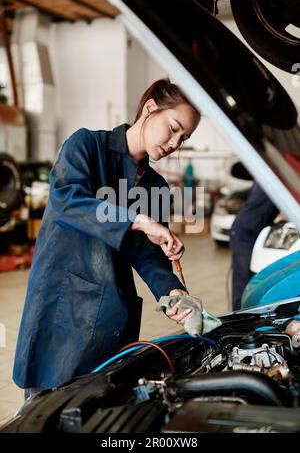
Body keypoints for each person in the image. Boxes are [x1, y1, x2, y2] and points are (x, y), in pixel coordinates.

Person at [13, 78, 200, 396]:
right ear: (150, 108)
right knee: (48, 410)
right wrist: (138, 220)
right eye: (173, 128)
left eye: (184, 138)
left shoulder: (155, 186)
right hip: (64, 309)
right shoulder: (86, 146)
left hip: (112, 315)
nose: (174, 143)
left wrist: (172, 292)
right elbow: (68, 202)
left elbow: (147, 254)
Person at [230, 182, 278, 311]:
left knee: (251, 278)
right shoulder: (271, 179)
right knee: (243, 279)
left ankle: (250, 312)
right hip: (245, 233)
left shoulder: (271, 177)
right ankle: (240, 317)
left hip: (253, 231)